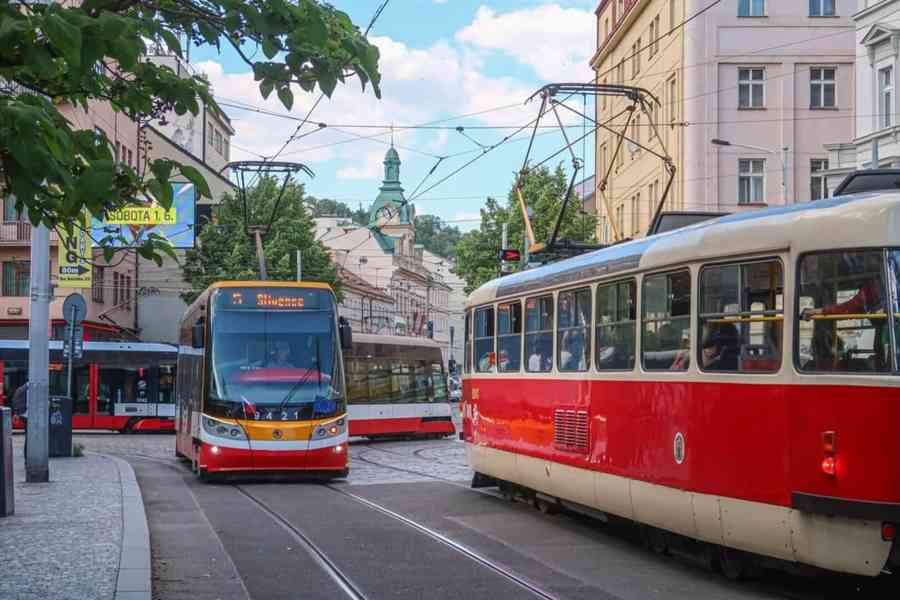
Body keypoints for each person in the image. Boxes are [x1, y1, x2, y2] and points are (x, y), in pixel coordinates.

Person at [11, 382, 27, 456]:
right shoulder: (24, 389)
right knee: (29, 437)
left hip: (23, 414)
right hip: (25, 414)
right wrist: (17, 412)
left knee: (28, 436)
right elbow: (16, 400)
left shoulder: (20, 389)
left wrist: (17, 412)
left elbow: (15, 400)